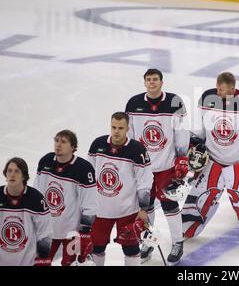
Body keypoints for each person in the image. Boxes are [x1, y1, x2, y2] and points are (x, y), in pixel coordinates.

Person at [182, 72, 239, 249]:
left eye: (222, 89)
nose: (218, 92)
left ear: (232, 88)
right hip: (212, 161)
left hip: (237, 162)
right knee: (199, 196)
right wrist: (194, 145)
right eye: (217, 88)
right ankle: (186, 228)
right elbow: (199, 130)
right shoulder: (208, 98)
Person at [125, 69, 189, 265]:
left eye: (155, 80)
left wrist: (181, 156)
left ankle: (178, 241)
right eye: (148, 80)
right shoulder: (134, 103)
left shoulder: (174, 102)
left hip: (166, 165)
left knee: (170, 205)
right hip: (144, 168)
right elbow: (132, 133)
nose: (152, 83)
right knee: (146, 206)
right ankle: (148, 241)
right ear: (144, 82)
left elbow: (181, 131)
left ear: (162, 82)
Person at [87, 112, 153, 266]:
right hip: (101, 208)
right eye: (113, 127)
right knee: (96, 247)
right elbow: (88, 176)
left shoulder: (137, 150)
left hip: (127, 210)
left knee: (130, 249)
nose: (116, 131)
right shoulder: (98, 144)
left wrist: (143, 209)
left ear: (127, 128)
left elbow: (145, 181)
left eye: (120, 128)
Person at [33, 130, 97, 266]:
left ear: (73, 147)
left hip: (72, 232)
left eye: (63, 142)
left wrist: (86, 231)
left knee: (70, 263)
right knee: (40, 263)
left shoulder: (83, 168)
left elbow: (90, 202)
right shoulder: (45, 161)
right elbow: (36, 193)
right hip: (47, 231)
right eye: (56, 141)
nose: (58, 145)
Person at [0, 157, 52, 266]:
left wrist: (43, 258)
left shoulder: (36, 199)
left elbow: (44, 233)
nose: (12, 174)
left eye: (17, 171)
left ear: (24, 176)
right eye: (9, 171)